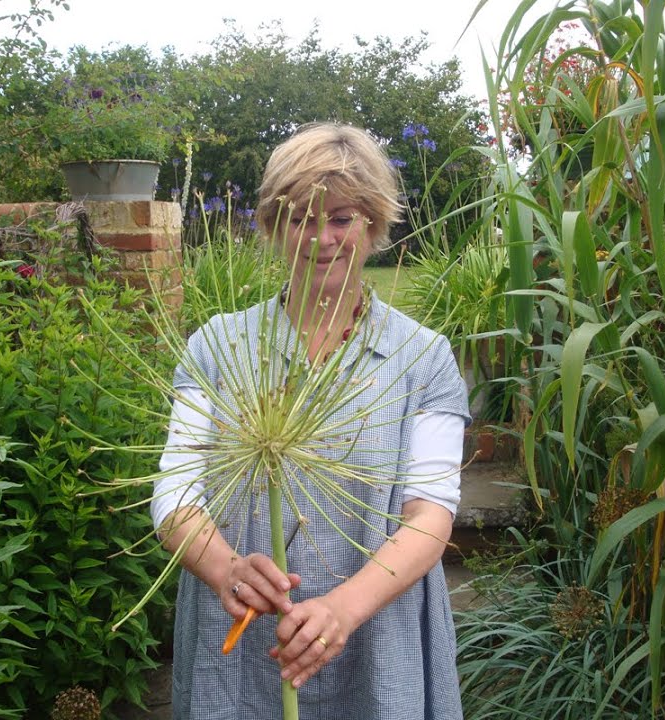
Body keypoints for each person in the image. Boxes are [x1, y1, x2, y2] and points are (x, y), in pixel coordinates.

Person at [151, 122, 471, 720]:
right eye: (300, 218)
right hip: (248, 631)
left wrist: (344, 609)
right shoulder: (217, 347)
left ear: (373, 225)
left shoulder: (423, 357)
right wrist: (227, 570)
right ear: (274, 226)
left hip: (377, 628)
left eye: (342, 218)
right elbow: (175, 492)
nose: (321, 238)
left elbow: (431, 513)